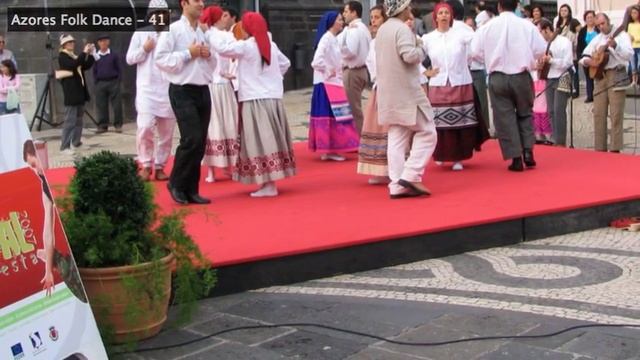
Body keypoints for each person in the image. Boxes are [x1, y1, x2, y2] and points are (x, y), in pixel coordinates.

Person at [215, 12, 296, 197]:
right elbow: (285, 63)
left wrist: (211, 30)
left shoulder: (248, 46)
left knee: (260, 140)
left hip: (255, 100)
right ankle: (269, 181)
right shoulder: (271, 45)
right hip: (272, 99)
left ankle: (268, 184)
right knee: (270, 139)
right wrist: (272, 79)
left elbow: (223, 49)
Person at [471, 0, 546, 171]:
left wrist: (488, 59)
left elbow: (474, 52)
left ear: (499, 6)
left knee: (504, 118)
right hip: (521, 75)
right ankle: (528, 151)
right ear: (517, 6)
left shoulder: (487, 27)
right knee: (525, 113)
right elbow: (541, 49)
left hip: (498, 75)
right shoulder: (527, 26)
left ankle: (515, 157)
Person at [156, 0, 217, 205]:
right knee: (191, 138)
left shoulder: (201, 32)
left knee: (200, 142)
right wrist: (187, 54)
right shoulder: (172, 30)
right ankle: (176, 182)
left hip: (202, 89)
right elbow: (161, 60)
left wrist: (208, 56)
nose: (201, 4)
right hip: (182, 90)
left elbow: (212, 64)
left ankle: (191, 189)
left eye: (202, 1)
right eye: (196, 0)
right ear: (184, 3)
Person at [377, 0, 437, 199]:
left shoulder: (383, 30)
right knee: (428, 132)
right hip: (406, 93)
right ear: (401, 9)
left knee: (397, 136)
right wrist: (422, 47)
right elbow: (410, 56)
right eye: (408, 7)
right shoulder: (401, 30)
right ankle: (411, 174)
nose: (411, 10)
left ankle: (396, 185)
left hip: (388, 92)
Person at [423, 2, 489, 171]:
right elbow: (416, 59)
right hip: (438, 84)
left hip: (460, 82)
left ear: (452, 16)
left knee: (461, 122)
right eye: (441, 13)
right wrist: (425, 73)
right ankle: (439, 154)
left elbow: (478, 45)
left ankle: (458, 157)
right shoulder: (427, 39)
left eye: (447, 13)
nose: (444, 15)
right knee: (438, 123)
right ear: (435, 17)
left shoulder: (461, 35)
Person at [126, 0, 176, 181]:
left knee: (167, 133)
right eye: (156, 12)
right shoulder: (140, 34)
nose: (160, 16)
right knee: (145, 127)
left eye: (163, 12)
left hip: (168, 89)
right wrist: (144, 49)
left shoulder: (173, 34)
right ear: (150, 15)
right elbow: (130, 59)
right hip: (147, 90)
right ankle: (146, 165)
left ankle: (161, 166)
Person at [309, 11, 360, 161]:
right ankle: (330, 149)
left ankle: (330, 149)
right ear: (332, 22)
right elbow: (316, 62)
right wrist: (329, 70)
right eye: (339, 20)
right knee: (333, 116)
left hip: (332, 83)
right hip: (327, 83)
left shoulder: (333, 39)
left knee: (336, 116)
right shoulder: (326, 39)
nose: (342, 22)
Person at [579, 13, 633, 153]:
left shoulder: (622, 35)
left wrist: (615, 46)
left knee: (616, 114)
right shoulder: (597, 39)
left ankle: (615, 149)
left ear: (608, 21)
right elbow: (583, 56)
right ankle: (600, 149)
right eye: (598, 25)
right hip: (600, 76)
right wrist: (591, 61)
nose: (601, 27)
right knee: (598, 113)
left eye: (603, 24)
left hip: (616, 74)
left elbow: (629, 54)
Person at [200, 6, 240, 183]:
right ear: (216, 18)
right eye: (222, 15)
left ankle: (227, 166)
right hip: (215, 85)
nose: (225, 18)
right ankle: (214, 169)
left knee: (226, 125)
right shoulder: (212, 36)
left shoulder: (222, 35)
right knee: (216, 125)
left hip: (222, 85)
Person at [357, 5, 389, 184]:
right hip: (379, 87)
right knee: (376, 127)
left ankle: (393, 168)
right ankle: (380, 168)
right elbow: (370, 64)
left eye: (377, 17)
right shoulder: (373, 42)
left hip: (390, 87)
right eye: (372, 18)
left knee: (390, 129)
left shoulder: (387, 39)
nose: (374, 21)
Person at [23, 140, 55, 296]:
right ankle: (48, 257)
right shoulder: (44, 184)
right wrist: (48, 271)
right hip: (49, 190)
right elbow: (48, 231)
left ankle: (47, 256)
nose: (35, 169)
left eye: (33, 164)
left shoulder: (48, 173)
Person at [538, 18, 574, 147]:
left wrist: (552, 60)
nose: (539, 35)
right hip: (549, 77)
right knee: (551, 110)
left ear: (547, 29)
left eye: (540, 31)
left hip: (563, 76)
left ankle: (561, 141)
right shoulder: (544, 45)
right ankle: (554, 138)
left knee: (559, 109)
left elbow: (568, 62)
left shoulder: (564, 41)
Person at [58, 34, 95, 154]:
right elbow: (73, 66)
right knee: (70, 120)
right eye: (69, 42)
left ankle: (76, 142)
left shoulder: (74, 56)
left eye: (72, 42)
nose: (72, 44)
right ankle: (65, 146)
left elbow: (85, 65)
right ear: (63, 44)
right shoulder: (62, 56)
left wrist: (90, 54)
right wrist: (83, 53)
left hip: (80, 91)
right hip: (71, 92)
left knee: (79, 120)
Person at [338, 1, 372, 134]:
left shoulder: (354, 29)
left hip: (353, 71)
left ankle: (359, 137)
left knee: (353, 108)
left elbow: (350, 51)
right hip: (362, 70)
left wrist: (339, 49)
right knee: (354, 106)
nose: (344, 14)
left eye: (346, 11)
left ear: (354, 12)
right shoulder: (363, 28)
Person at [93, 34, 124, 133]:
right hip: (100, 83)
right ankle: (103, 125)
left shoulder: (114, 55)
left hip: (113, 81)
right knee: (101, 105)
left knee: (117, 105)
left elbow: (119, 68)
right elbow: (94, 70)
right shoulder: (95, 56)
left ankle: (118, 125)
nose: (103, 43)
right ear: (98, 43)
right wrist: (96, 81)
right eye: (101, 41)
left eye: (105, 41)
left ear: (108, 42)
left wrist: (118, 80)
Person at [556, 4, 582, 98]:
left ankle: (575, 91)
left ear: (569, 12)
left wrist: (576, 43)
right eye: (561, 10)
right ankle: (567, 90)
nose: (563, 12)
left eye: (565, 10)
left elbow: (581, 32)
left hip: (572, 50)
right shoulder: (558, 23)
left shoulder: (573, 22)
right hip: (561, 50)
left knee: (573, 71)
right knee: (564, 72)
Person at [577, 10, 599, 102]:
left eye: (591, 17)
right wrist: (580, 57)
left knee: (598, 76)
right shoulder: (582, 31)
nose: (590, 19)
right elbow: (579, 45)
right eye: (588, 18)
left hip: (598, 55)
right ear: (585, 20)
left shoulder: (598, 29)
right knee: (588, 77)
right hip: (586, 56)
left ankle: (599, 95)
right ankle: (590, 95)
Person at [627, 5, 640, 86]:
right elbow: (628, 35)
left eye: (635, 13)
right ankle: (633, 81)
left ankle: (638, 81)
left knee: (639, 65)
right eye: (632, 13)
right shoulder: (630, 25)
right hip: (632, 47)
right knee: (633, 65)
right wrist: (629, 38)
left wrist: (634, 38)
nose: (633, 14)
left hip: (639, 47)